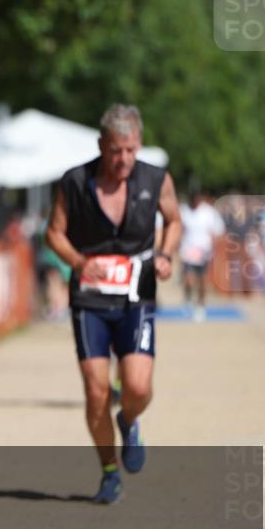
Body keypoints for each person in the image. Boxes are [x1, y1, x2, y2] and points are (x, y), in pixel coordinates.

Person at [46, 104, 181, 505]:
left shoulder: (155, 179)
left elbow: (173, 221)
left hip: (137, 292)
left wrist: (166, 254)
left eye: (131, 150)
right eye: (115, 150)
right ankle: (109, 473)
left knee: (138, 387)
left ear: (138, 146)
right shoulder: (75, 182)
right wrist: (79, 263)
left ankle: (129, 418)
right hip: (89, 297)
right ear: (102, 145)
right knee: (96, 390)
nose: (123, 159)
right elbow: (53, 234)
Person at [178, 191, 225, 320]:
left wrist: (212, 247)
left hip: (204, 252)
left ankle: (201, 305)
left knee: (203, 281)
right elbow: (179, 228)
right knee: (189, 279)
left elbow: (218, 231)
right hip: (188, 251)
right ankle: (187, 299)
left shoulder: (209, 212)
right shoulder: (184, 211)